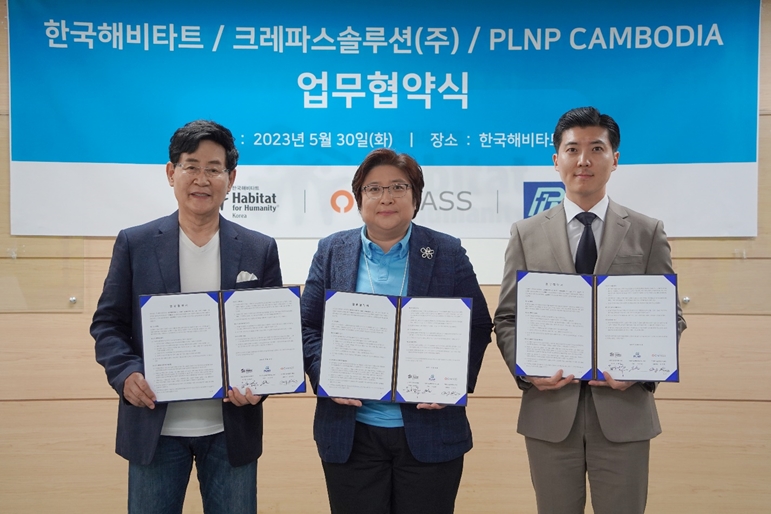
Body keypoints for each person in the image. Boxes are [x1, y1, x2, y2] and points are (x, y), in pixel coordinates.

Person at [494, 106, 687, 514]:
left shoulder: (647, 231)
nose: (583, 160)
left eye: (596, 148)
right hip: (550, 412)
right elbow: (507, 318)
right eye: (572, 149)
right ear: (556, 159)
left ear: (615, 159)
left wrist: (642, 370)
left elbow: (669, 317)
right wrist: (526, 371)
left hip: (624, 411)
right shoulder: (525, 234)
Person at [91, 120, 282, 514]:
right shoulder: (136, 243)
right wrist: (126, 374)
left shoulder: (259, 249)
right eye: (191, 166)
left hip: (230, 428)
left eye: (214, 168)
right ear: (171, 172)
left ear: (231, 178)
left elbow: (272, 335)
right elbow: (108, 324)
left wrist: (261, 383)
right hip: (155, 427)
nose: (201, 179)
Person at [301, 148, 493, 514]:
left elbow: (479, 324)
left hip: (430, 428)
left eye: (398, 187)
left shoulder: (447, 251)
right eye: (373, 188)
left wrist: (451, 382)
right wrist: (327, 374)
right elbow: (308, 325)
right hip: (351, 432)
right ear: (359, 198)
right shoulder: (332, 251)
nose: (386, 197)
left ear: (415, 198)